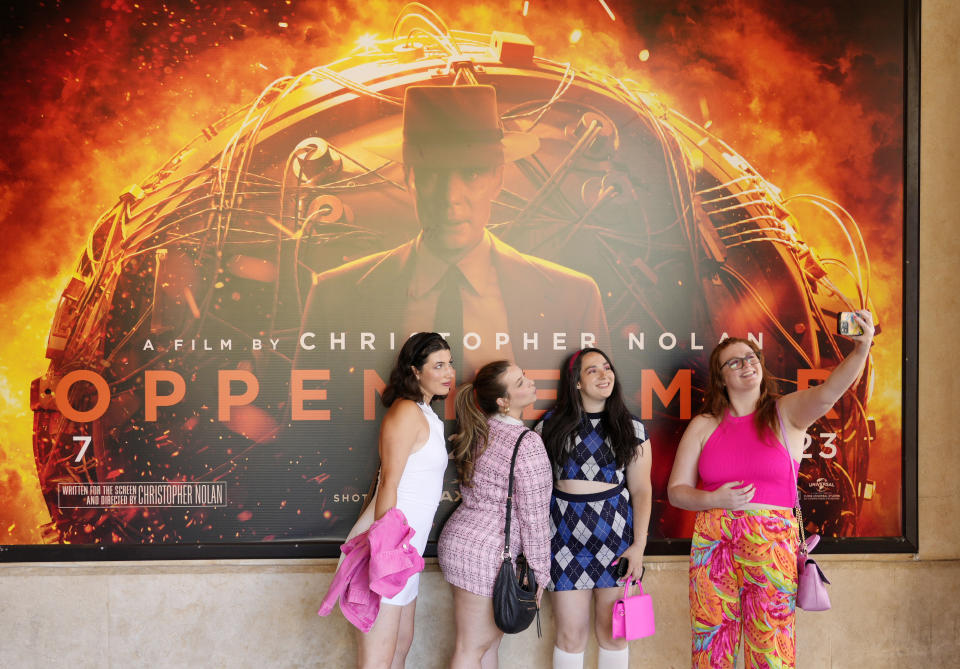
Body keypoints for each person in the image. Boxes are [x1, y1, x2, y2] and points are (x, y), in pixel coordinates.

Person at [299, 84, 608, 377]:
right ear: (410, 178)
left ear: (497, 179)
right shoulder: (334, 297)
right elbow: (312, 428)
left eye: (471, 174)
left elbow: (593, 426)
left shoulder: (574, 300)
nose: (451, 198)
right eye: (434, 174)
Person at [666, 311, 875, 668]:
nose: (746, 365)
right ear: (721, 378)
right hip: (714, 547)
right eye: (735, 362)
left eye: (751, 357)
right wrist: (714, 499)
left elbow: (829, 393)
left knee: (772, 652)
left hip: (772, 549)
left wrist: (861, 349)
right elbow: (676, 490)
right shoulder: (704, 424)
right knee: (710, 652)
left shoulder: (786, 412)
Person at [341, 332, 453, 669]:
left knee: (400, 648)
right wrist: (385, 552)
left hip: (407, 552)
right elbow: (388, 482)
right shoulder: (405, 411)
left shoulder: (427, 414)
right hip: (387, 548)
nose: (449, 372)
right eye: (438, 365)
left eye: (450, 363)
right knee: (378, 659)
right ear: (415, 371)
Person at [536, 348, 653, 669]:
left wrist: (639, 546)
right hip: (562, 545)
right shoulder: (549, 426)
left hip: (615, 545)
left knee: (614, 635)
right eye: (593, 371)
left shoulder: (632, 428)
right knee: (569, 637)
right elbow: (535, 489)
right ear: (575, 382)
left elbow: (642, 490)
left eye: (607, 368)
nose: (604, 375)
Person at [437, 360, 553, 668]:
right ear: (502, 401)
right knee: (471, 648)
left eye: (524, 376)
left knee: (485, 647)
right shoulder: (526, 444)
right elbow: (535, 519)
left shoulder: (481, 431)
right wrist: (540, 575)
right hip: (488, 555)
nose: (529, 383)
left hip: (463, 543)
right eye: (519, 383)